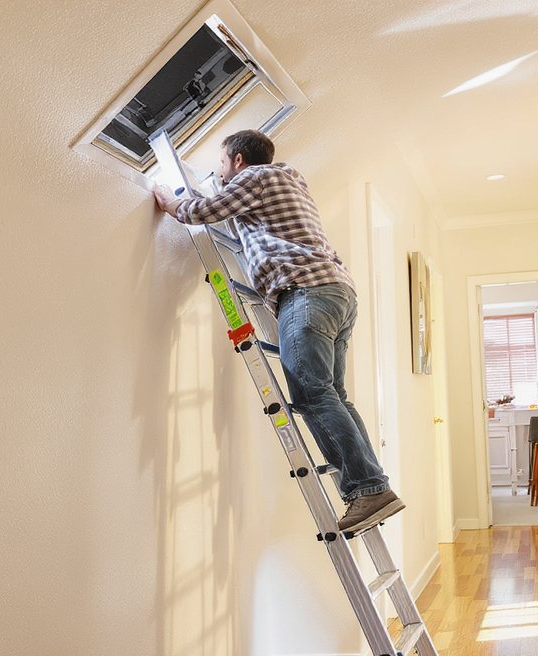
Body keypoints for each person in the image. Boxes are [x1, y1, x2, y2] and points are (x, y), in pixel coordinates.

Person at [152, 130, 403, 534]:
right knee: (331, 395)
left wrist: (169, 200)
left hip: (305, 292)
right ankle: (367, 488)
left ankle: (369, 488)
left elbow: (200, 211)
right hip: (334, 291)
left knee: (311, 393)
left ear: (236, 159)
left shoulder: (255, 178)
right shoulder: (287, 180)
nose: (221, 171)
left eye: (221, 163)